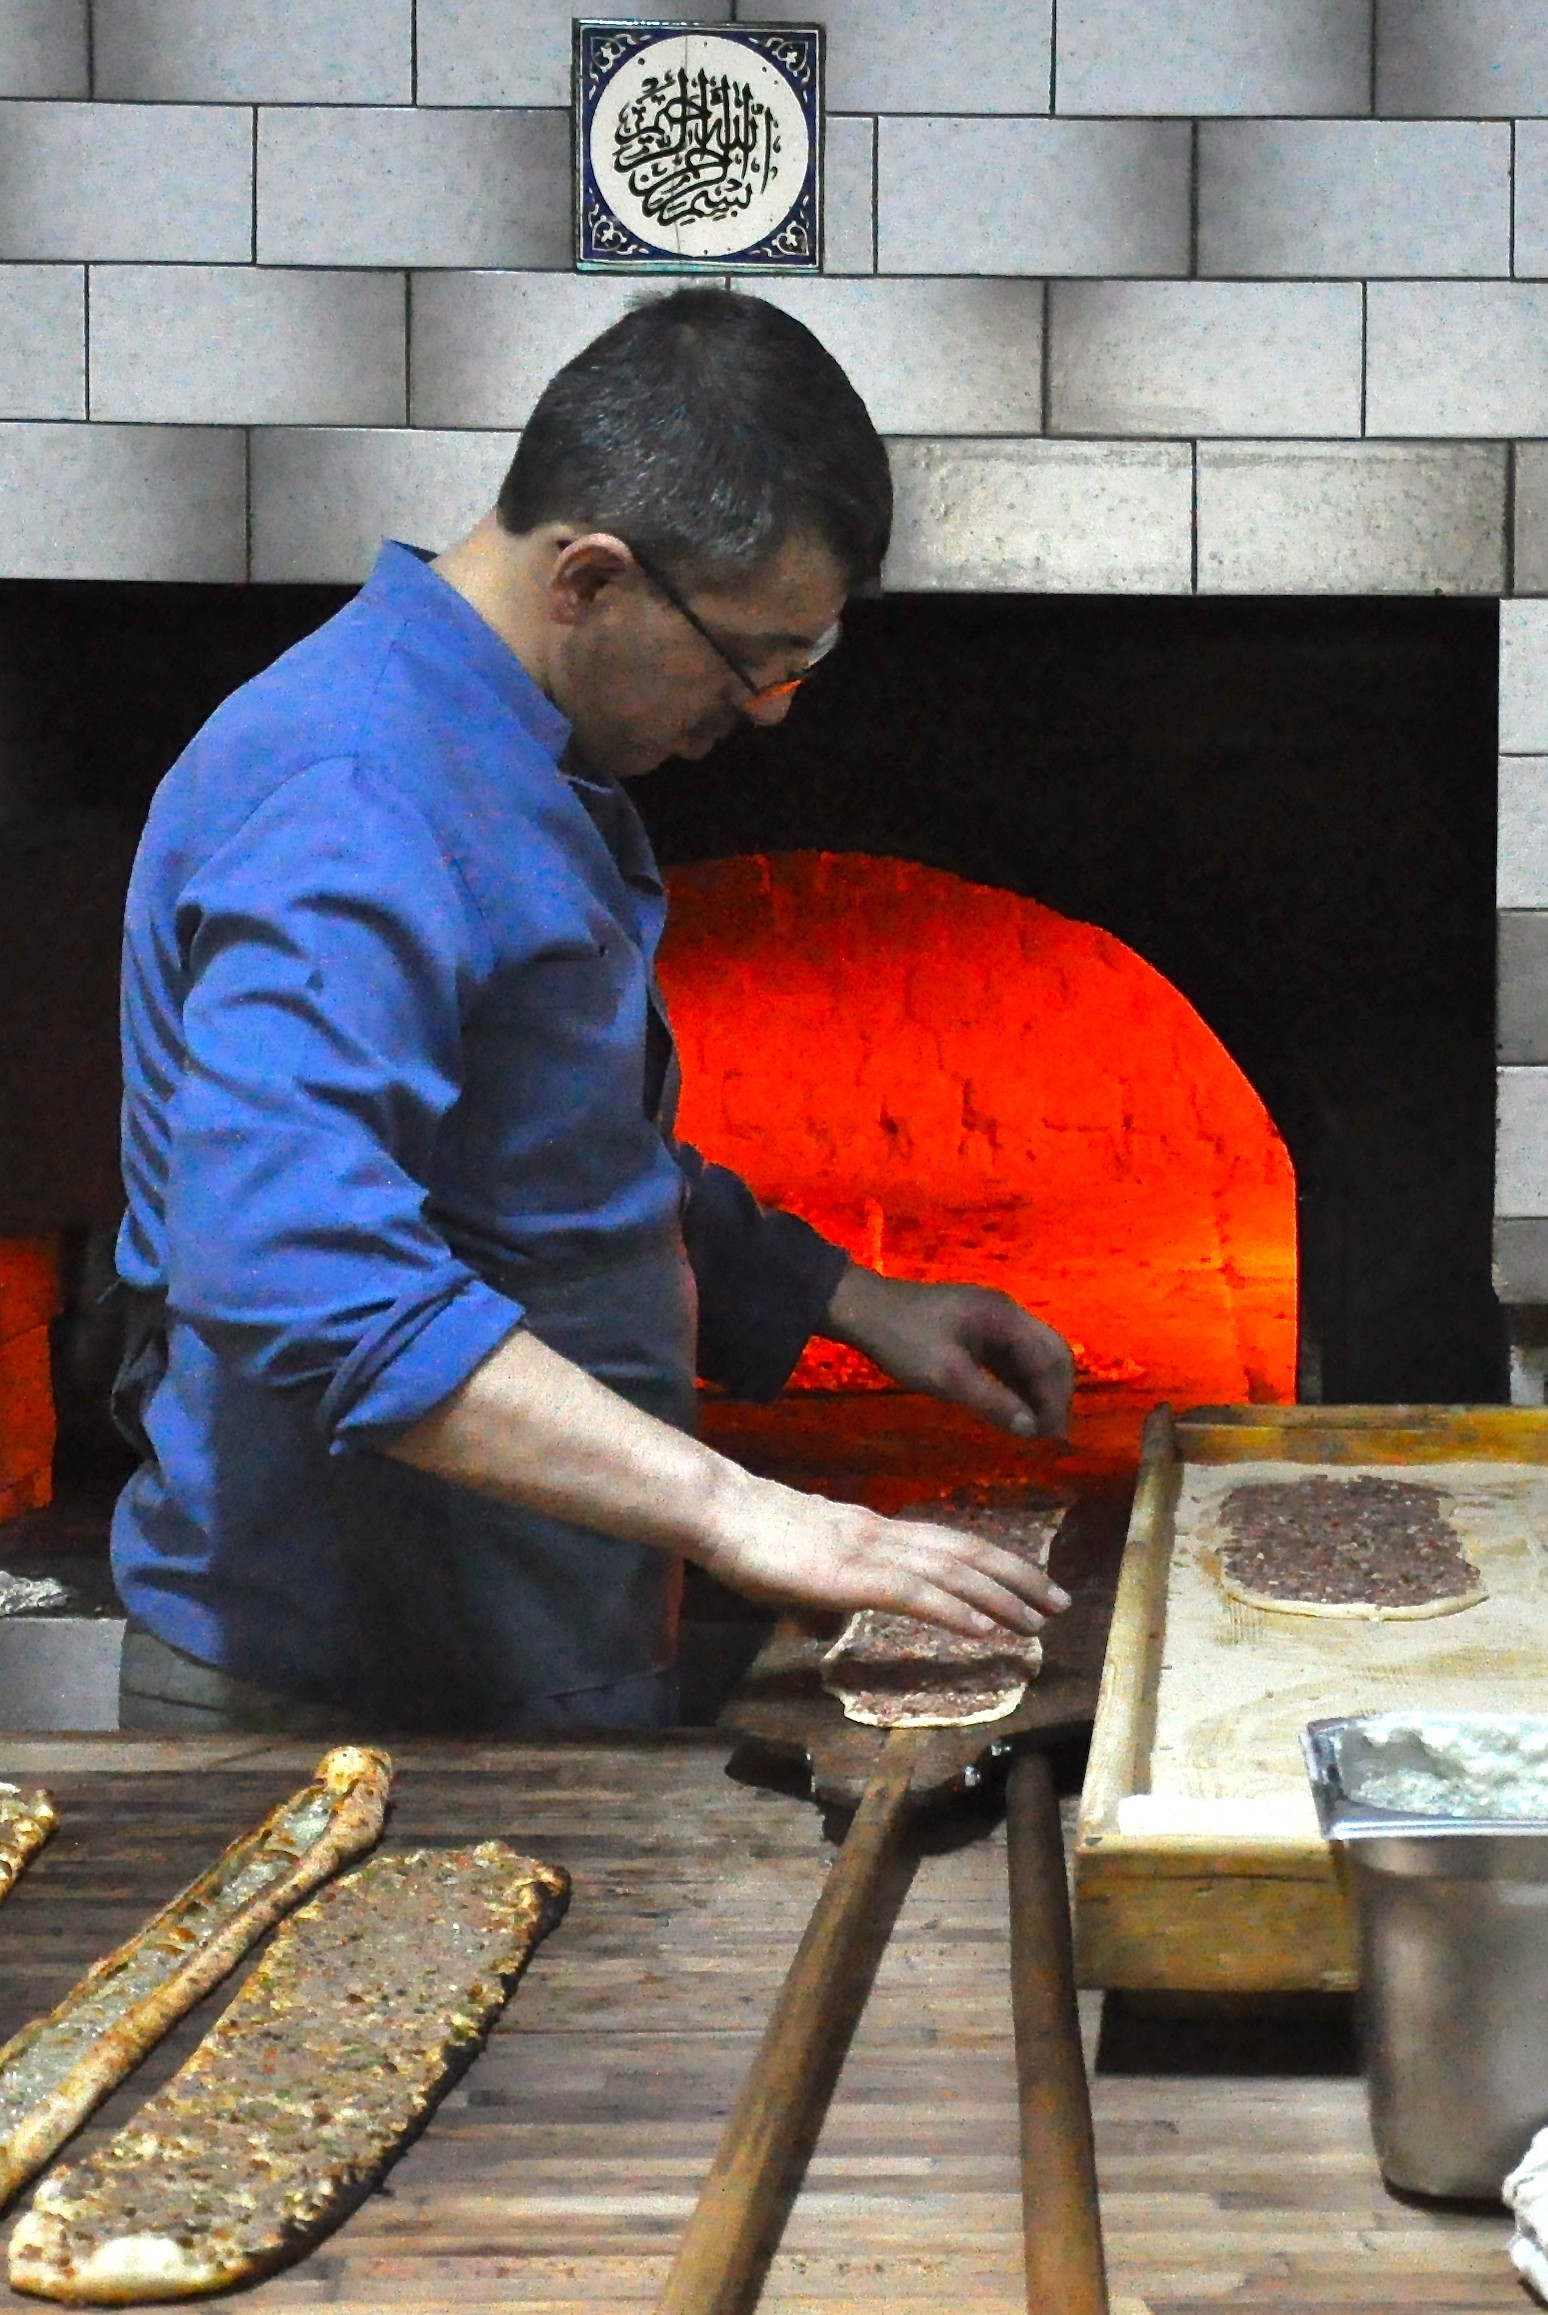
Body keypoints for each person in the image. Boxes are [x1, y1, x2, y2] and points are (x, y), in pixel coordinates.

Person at [108, 288, 1074, 1737]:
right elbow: (284, 1259)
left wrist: (848, 1302)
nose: (766, 711)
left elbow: (546, 1150)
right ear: (591, 579)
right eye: (752, 657)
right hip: (353, 1701)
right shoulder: (355, 791)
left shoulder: (492, 752)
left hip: (522, 1638)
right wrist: (739, 1512)